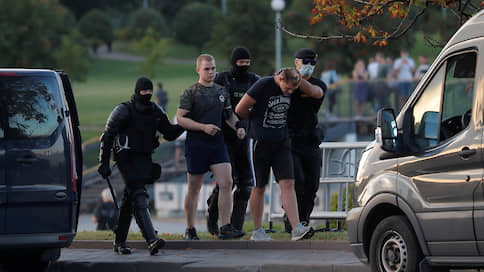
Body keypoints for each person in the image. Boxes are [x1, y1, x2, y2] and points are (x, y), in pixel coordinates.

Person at [98, 76, 185, 255]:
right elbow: (107, 136)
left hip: (144, 159)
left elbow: (169, 133)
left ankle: (119, 241)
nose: (147, 94)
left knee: (130, 201)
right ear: (137, 91)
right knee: (139, 194)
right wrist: (103, 163)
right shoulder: (123, 110)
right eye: (144, 91)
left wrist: (185, 123)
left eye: (149, 91)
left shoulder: (155, 111)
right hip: (125, 157)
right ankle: (151, 239)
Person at [235, 68, 323, 241]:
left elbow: (316, 92)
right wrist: (255, 122)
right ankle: (258, 230)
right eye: (288, 89)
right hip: (260, 142)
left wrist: (299, 77)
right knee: (259, 186)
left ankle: (296, 228)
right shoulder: (263, 85)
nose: (290, 92)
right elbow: (240, 108)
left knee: (288, 183)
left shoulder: (293, 84)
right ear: (280, 78)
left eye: (292, 90)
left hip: (281, 141)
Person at [177, 54, 245, 240]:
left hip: (217, 143)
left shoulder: (221, 91)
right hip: (197, 144)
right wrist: (202, 127)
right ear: (198, 70)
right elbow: (181, 118)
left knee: (227, 182)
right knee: (194, 187)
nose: (211, 72)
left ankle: (225, 227)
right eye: (207, 69)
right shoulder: (190, 92)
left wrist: (238, 127)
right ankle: (190, 229)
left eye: (213, 68)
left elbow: (229, 115)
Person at [205, 46, 260, 236]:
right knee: (226, 183)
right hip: (223, 137)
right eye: (240, 63)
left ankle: (236, 227)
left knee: (246, 184)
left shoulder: (254, 81)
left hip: (245, 138)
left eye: (247, 63)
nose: (244, 66)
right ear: (233, 63)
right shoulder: (222, 79)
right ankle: (213, 217)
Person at [284, 48, 327, 233]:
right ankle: (292, 221)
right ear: (296, 62)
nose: (309, 66)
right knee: (297, 181)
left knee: (312, 184)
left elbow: (315, 92)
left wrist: (297, 79)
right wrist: (288, 79)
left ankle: (303, 221)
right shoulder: (285, 82)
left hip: (310, 139)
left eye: (312, 63)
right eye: (305, 62)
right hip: (290, 141)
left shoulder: (318, 84)